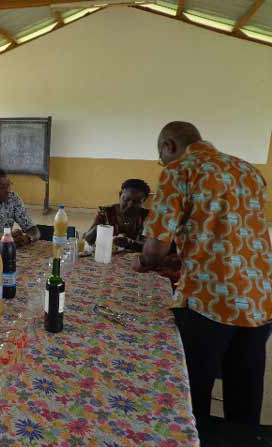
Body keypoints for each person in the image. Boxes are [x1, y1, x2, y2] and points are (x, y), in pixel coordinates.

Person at [133, 121, 272, 426]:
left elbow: (155, 247)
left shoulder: (179, 170)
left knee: (192, 388)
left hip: (211, 299)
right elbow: (230, 232)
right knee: (245, 388)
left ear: (169, 146)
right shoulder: (247, 170)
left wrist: (143, 261)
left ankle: (195, 437)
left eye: (161, 157)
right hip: (259, 296)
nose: (163, 163)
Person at [84, 178, 151, 251]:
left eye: (136, 202)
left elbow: (151, 246)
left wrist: (131, 243)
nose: (130, 205)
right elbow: (88, 240)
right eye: (126, 199)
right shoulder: (106, 213)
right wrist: (99, 228)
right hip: (107, 256)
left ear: (144, 201)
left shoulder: (148, 217)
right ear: (120, 194)